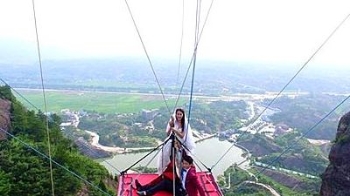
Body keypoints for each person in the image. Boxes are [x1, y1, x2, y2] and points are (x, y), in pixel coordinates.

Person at [157, 108, 196, 174]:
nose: (179, 116)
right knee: (165, 154)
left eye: (180, 114)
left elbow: (182, 135)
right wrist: (171, 125)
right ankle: (165, 172)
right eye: (178, 114)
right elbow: (168, 134)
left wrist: (174, 129)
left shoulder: (184, 124)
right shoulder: (173, 122)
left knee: (182, 159)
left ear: (183, 115)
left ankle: (185, 174)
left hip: (181, 142)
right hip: (172, 140)